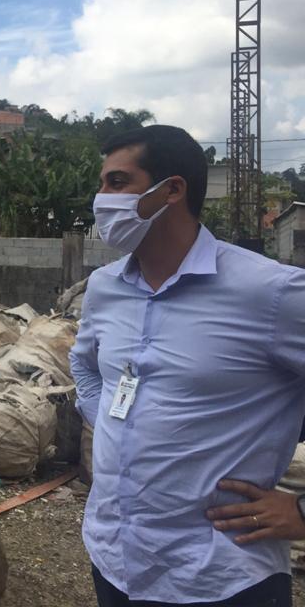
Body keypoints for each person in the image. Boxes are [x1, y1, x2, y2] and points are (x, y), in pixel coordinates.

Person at [71, 125, 305, 607]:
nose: (101, 198)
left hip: (221, 576)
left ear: (172, 190)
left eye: (117, 183)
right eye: (102, 185)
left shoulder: (271, 293)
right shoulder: (104, 287)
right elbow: (86, 368)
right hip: (115, 562)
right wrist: (117, 426)